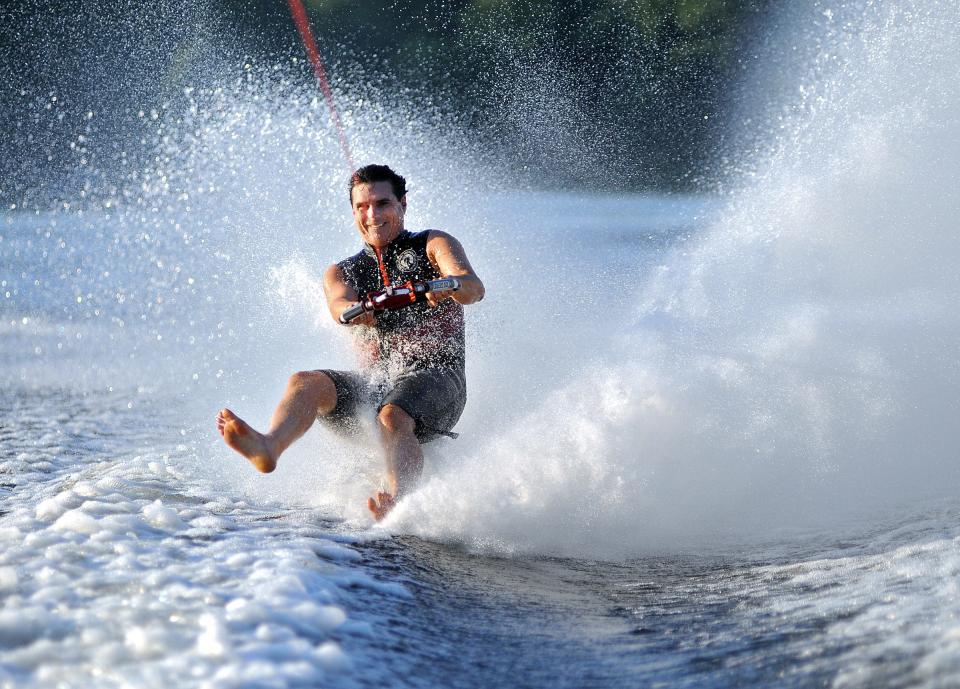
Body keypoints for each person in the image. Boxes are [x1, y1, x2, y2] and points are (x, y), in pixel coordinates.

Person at [216, 164, 485, 520]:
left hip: (438, 382)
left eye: (382, 203)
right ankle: (268, 446)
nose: (372, 215)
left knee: (391, 416)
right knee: (304, 382)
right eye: (362, 206)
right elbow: (338, 304)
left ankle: (397, 501)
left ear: (402, 204)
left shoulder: (433, 245)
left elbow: (473, 287)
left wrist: (441, 286)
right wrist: (354, 311)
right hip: (377, 386)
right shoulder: (343, 271)